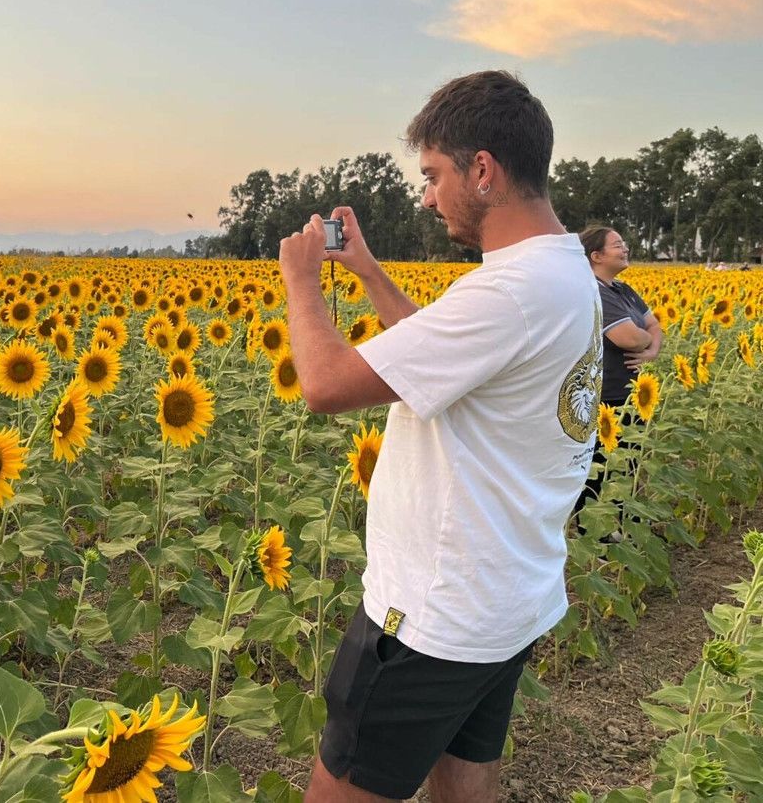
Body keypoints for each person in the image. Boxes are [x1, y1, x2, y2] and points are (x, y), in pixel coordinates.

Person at [280, 71, 602, 802]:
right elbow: (446, 352)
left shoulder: (507, 294)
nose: (426, 195)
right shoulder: (562, 272)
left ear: (482, 170)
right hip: (507, 598)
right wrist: (364, 271)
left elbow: (326, 386)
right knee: (465, 781)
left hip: (429, 620)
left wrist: (302, 280)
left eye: (433, 175)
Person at [573, 226, 660, 527]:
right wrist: (646, 342)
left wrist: (650, 349)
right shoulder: (594, 290)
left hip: (631, 393)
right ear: (596, 256)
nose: (625, 249)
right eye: (618, 245)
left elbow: (655, 326)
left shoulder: (622, 290)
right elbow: (627, 337)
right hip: (604, 395)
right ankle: (594, 532)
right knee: (598, 469)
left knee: (627, 463)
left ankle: (624, 524)